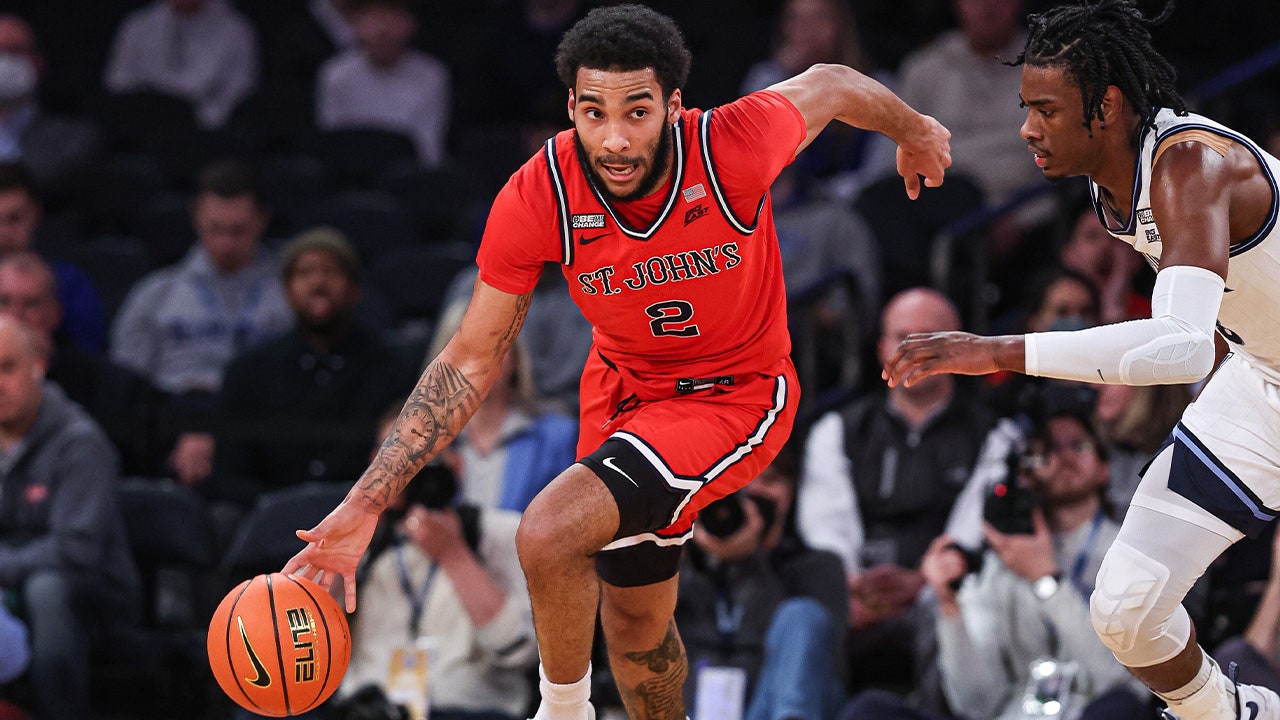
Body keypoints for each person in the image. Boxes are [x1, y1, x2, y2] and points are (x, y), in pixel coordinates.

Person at [284, 5, 951, 720]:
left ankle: (562, 712)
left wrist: (912, 130)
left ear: (673, 104)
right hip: (625, 396)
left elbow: (833, 81)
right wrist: (366, 502)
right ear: (572, 106)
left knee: (547, 531)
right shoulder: (539, 192)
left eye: (637, 112)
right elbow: (470, 360)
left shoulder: (730, 144)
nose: (615, 138)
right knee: (635, 627)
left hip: (734, 396)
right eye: (595, 112)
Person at [881, 0, 1280, 717]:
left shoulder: (1190, 164)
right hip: (1264, 383)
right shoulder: (1107, 189)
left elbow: (1183, 346)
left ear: (1108, 105)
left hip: (1244, 370)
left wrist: (997, 349)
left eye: (1047, 110)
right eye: (1026, 107)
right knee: (1125, 609)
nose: (1026, 129)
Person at [843, 409, 1152, 720]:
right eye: (1046, 450)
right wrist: (950, 607)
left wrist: (1047, 581)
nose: (1063, 457)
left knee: (1121, 710)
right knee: (870, 710)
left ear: (1104, 468)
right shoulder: (998, 561)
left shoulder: (1132, 553)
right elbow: (977, 704)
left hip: (1091, 714)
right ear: (1026, 473)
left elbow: (1122, 685)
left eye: (1079, 446)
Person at [798, 287, 995, 704]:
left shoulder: (993, 432)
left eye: (932, 336)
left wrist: (926, 582)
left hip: (945, 587)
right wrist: (849, 586)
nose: (915, 350)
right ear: (881, 348)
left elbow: (974, 526)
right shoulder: (839, 429)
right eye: (903, 337)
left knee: (959, 602)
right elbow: (826, 526)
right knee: (806, 612)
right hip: (860, 589)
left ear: (960, 346)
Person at [338, 408, 537, 720]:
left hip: (469, 712)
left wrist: (455, 556)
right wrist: (356, 532)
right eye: (396, 459)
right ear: (374, 465)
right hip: (366, 710)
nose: (411, 471)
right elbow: (310, 644)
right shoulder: (355, 540)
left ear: (456, 463)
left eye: (425, 456)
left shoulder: (503, 533)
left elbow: (518, 651)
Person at [110, 159, 292, 488]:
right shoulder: (154, 294)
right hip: (166, 426)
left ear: (262, 220)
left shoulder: (290, 295)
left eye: (238, 230)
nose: (225, 243)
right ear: (196, 217)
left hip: (258, 432)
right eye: (215, 229)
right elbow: (126, 387)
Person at [211, 226, 418, 508]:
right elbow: (230, 473)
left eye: (331, 271)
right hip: (268, 520)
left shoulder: (394, 368)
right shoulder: (248, 372)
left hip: (366, 517)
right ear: (286, 289)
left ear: (354, 288)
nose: (318, 281)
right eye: (304, 272)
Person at [0, 316, 141, 720]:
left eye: (7, 367)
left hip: (93, 595)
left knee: (48, 590)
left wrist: (3, 566)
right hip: (14, 580)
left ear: (38, 366)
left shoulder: (80, 442)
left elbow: (76, 550)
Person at [676, 445, 848, 720]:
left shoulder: (819, 566)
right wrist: (685, 552)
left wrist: (751, 559)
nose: (753, 492)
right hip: (693, 709)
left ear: (791, 492)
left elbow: (824, 667)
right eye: (740, 481)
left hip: (772, 707)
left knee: (801, 616)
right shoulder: (687, 566)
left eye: (768, 481)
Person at [0, 251, 164, 477]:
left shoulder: (108, 384)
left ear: (55, 313)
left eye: (30, 304)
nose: (15, 315)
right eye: (4, 302)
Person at [425, 302, 579, 513]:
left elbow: (568, 526)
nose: (479, 361)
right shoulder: (422, 440)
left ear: (516, 358)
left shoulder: (558, 437)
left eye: (493, 345)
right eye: (466, 349)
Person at [316, 0, 450, 169]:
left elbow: (430, 146)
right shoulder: (335, 74)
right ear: (356, 22)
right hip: (350, 175)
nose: (383, 30)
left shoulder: (433, 75)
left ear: (410, 23)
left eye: (392, 18)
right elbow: (332, 138)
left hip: (411, 174)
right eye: (375, 18)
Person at [0, 162, 107, 354]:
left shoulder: (68, 282)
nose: (4, 232)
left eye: (14, 218)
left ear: (35, 213)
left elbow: (89, 355)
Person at [103, 0, 260, 130]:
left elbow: (241, 87)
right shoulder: (138, 24)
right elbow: (118, 80)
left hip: (209, 127)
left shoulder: (236, 30)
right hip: (144, 123)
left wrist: (205, 117)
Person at [0, 15, 103, 206]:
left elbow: (48, 183)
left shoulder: (74, 138)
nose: (4, 63)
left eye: (14, 52)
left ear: (38, 63)